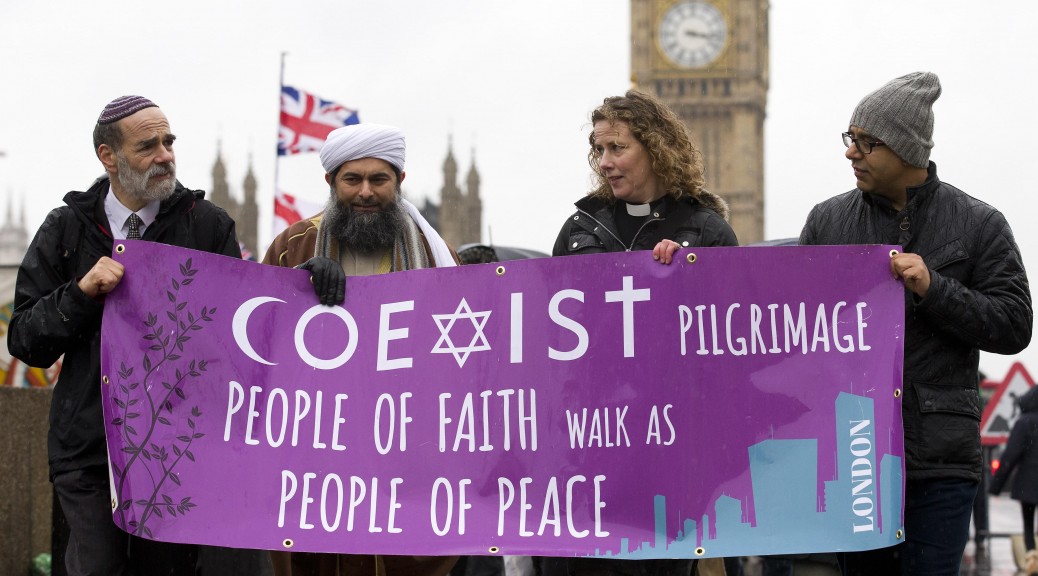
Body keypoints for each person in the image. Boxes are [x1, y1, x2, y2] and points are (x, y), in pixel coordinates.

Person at [799, 72, 1032, 575]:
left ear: (906, 148)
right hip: (855, 458)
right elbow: (790, 327)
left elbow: (1015, 325)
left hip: (941, 463)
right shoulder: (827, 222)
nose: (851, 152)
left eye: (867, 142)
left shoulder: (980, 223)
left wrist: (934, 288)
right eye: (850, 138)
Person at [7, 95, 241, 576]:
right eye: (147, 146)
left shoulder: (207, 225)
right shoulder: (66, 228)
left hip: (176, 448)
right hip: (88, 448)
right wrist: (80, 293)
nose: (165, 155)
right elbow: (26, 340)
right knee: (95, 566)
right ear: (108, 156)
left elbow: (240, 332)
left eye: (169, 142)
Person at [551, 90, 738, 576]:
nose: (605, 162)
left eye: (618, 148)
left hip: (676, 452)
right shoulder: (578, 229)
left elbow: (732, 341)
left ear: (655, 148)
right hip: (594, 449)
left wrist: (686, 276)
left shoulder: (706, 232)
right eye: (599, 150)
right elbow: (551, 338)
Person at [262, 122, 460, 576]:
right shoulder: (294, 247)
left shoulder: (435, 255)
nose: (366, 192)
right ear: (331, 182)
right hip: (315, 455)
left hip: (405, 453)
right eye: (352, 179)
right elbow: (257, 341)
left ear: (400, 181)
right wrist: (297, 289)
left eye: (379, 179)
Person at [990, 386, 1038, 574]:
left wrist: (996, 486)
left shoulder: (1024, 422)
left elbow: (1010, 455)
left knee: (1028, 523)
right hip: (1030, 482)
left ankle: (1032, 558)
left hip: (1029, 483)